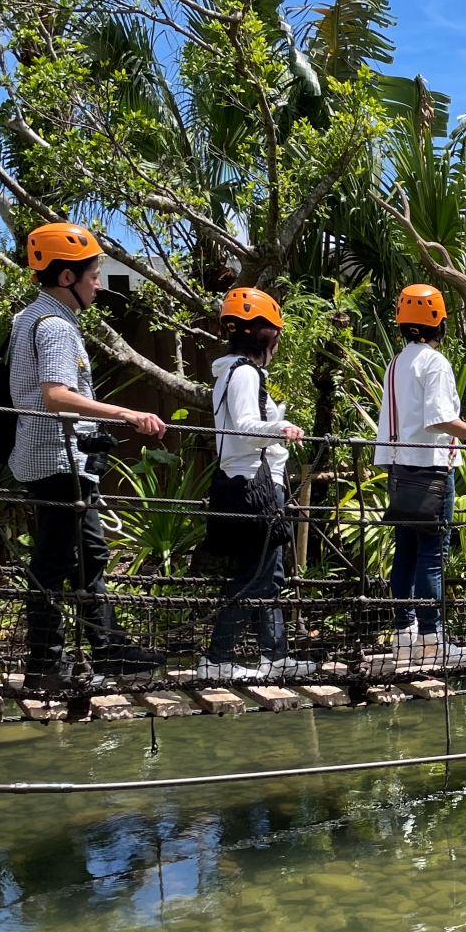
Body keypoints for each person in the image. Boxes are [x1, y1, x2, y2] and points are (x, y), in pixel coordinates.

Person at [8, 222, 167, 691]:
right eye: (93, 275)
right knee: (56, 561)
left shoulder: (28, 317)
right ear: (65, 278)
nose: (98, 283)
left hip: (52, 458)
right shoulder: (55, 325)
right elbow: (56, 395)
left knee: (88, 555)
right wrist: (125, 412)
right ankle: (44, 663)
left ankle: (108, 647)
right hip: (57, 460)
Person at [373, 284, 466, 663]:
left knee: (405, 552)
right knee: (432, 556)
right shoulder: (434, 363)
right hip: (432, 470)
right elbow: (439, 419)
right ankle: (432, 638)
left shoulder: (396, 363)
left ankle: (404, 634)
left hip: (399, 468)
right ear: (439, 322)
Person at [200, 286, 316, 681]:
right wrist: (280, 427)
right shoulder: (245, 373)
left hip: (251, 482)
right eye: (276, 334)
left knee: (269, 573)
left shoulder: (233, 372)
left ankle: (275, 655)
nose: (278, 342)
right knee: (256, 575)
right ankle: (217, 660)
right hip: (256, 485)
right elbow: (248, 428)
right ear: (262, 334)